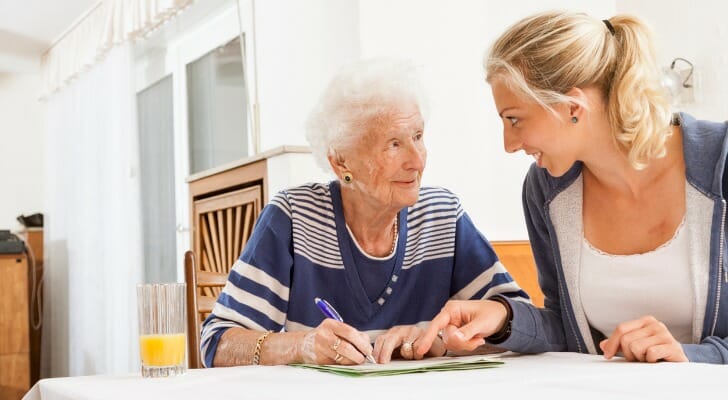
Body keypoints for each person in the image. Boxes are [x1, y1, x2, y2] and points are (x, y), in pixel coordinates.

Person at [416, 11, 728, 364]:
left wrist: (693, 356)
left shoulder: (720, 163)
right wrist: (504, 319)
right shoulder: (546, 192)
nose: (508, 143)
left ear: (571, 107)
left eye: (514, 119)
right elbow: (567, 325)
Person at [200, 58, 529, 367]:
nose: (416, 160)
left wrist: (442, 340)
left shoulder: (442, 217)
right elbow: (217, 342)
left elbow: (521, 324)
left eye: (418, 136)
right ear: (341, 161)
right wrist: (301, 346)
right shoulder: (293, 218)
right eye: (393, 144)